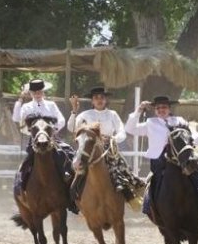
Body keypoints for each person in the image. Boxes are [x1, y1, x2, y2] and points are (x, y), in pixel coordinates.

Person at [125, 96, 198, 226]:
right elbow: (130, 129)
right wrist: (139, 110)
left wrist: (190, 142)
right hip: (159, 161)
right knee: (154, 183)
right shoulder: (150, 123)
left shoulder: (179, 121)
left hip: (182, 159)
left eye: (164, 107)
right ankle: (150, 208)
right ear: (155, 110)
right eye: (158, 108)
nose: (161, 110)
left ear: (169, 108)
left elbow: (196, 136)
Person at [68, 87, 145, 206]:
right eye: (96, 98)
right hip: (88, 148)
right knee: (75, 167)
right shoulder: (85, 114)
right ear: (92, 101)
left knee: (122, 169)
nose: (99, 100)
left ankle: (129, 195)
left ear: (105, 100)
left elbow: (122, 132)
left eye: (102, 98)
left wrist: (113, 139)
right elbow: (71, 128)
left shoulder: (112, 114)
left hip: (108, 148)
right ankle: (73, 196)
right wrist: (74, 110)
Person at [11, 78, 77, 213]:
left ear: (43, 91)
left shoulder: (51, 105)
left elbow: (61, 120)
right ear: (30, 93)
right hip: (34, 140)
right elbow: (17, 119)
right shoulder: (26, 107)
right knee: (25, 166)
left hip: (51, 139)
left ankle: (72, 193)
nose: (37, 94)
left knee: (67, 155)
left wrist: (52, 131)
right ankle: (22, 193)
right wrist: (19, 101)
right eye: (34, 91)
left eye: (39, 91)